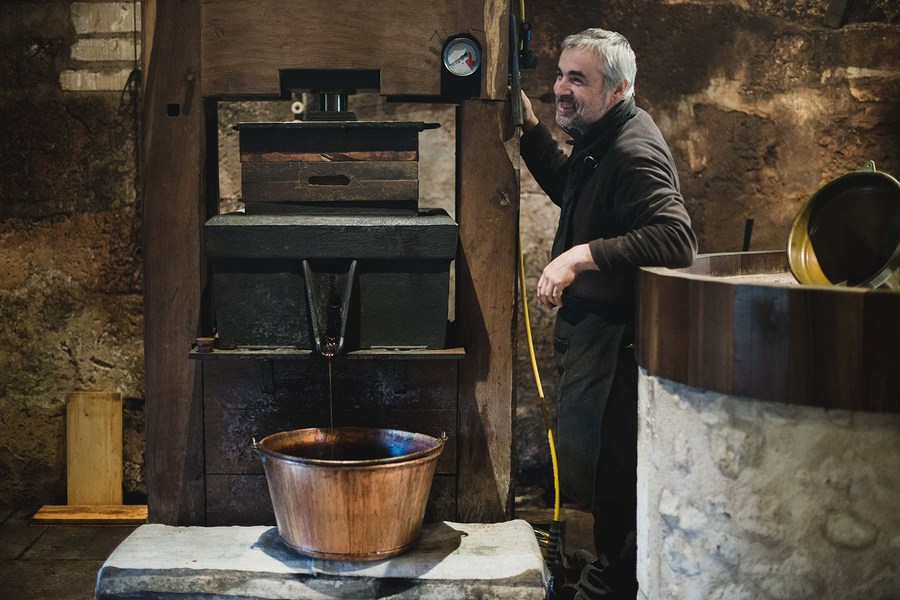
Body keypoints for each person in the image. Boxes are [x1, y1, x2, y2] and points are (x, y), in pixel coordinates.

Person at [519, 28, 697, 598]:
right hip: (596, 334)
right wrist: (529, 130)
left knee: (612, 475)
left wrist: (580, 256)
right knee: (595, 471)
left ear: (619, 89)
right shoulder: (601, 139)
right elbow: (574, 187)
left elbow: (675, 238)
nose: (561, 90)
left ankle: (612, 588)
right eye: (561, 75)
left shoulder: (633, 151)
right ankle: (608, 578)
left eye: (579, 79)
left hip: (617, 340)